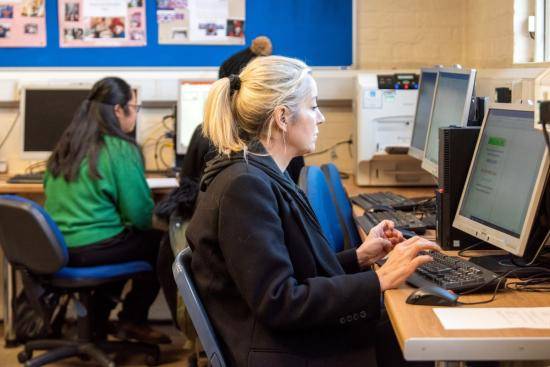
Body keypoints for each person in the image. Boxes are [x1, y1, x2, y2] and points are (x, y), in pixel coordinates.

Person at [185, 55, 440, 367]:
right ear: (282, 117)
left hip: (288, 341)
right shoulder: (245, 187)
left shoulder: (262, 174)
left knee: (414, 331)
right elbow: (280, 301)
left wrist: (359, 257)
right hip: (285, 353)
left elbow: (292, 269)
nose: (321, 118)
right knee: (420, 340)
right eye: (313, 106)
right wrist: (380, 279)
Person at [44, 77, 170, 344]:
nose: (135, 114)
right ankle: (131, 320)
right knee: (161, 245)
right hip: (93, 251)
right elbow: (140, 215)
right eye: (134, 107)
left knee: (124, 241)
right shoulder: (120, 149)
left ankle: (96, 324)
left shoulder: (65, 146)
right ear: (118, 110)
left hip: (55, 250)